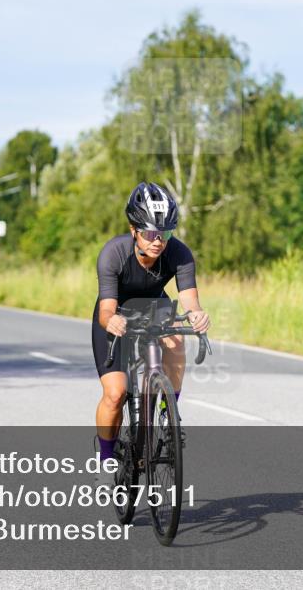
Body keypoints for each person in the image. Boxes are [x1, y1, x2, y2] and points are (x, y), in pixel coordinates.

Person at [91, 182, 210, 465]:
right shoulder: (114, 254)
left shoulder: (179, 253)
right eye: (151, 233)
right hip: (117, 313)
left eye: (166, 233)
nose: (159, 240)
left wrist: (196, 315)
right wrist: (113, 322)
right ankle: (106, 457)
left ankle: (169, 418)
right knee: (116, 393)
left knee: (176, 340)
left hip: (154, 308)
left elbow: (190, 301)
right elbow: (106, 310)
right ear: (134, 230)